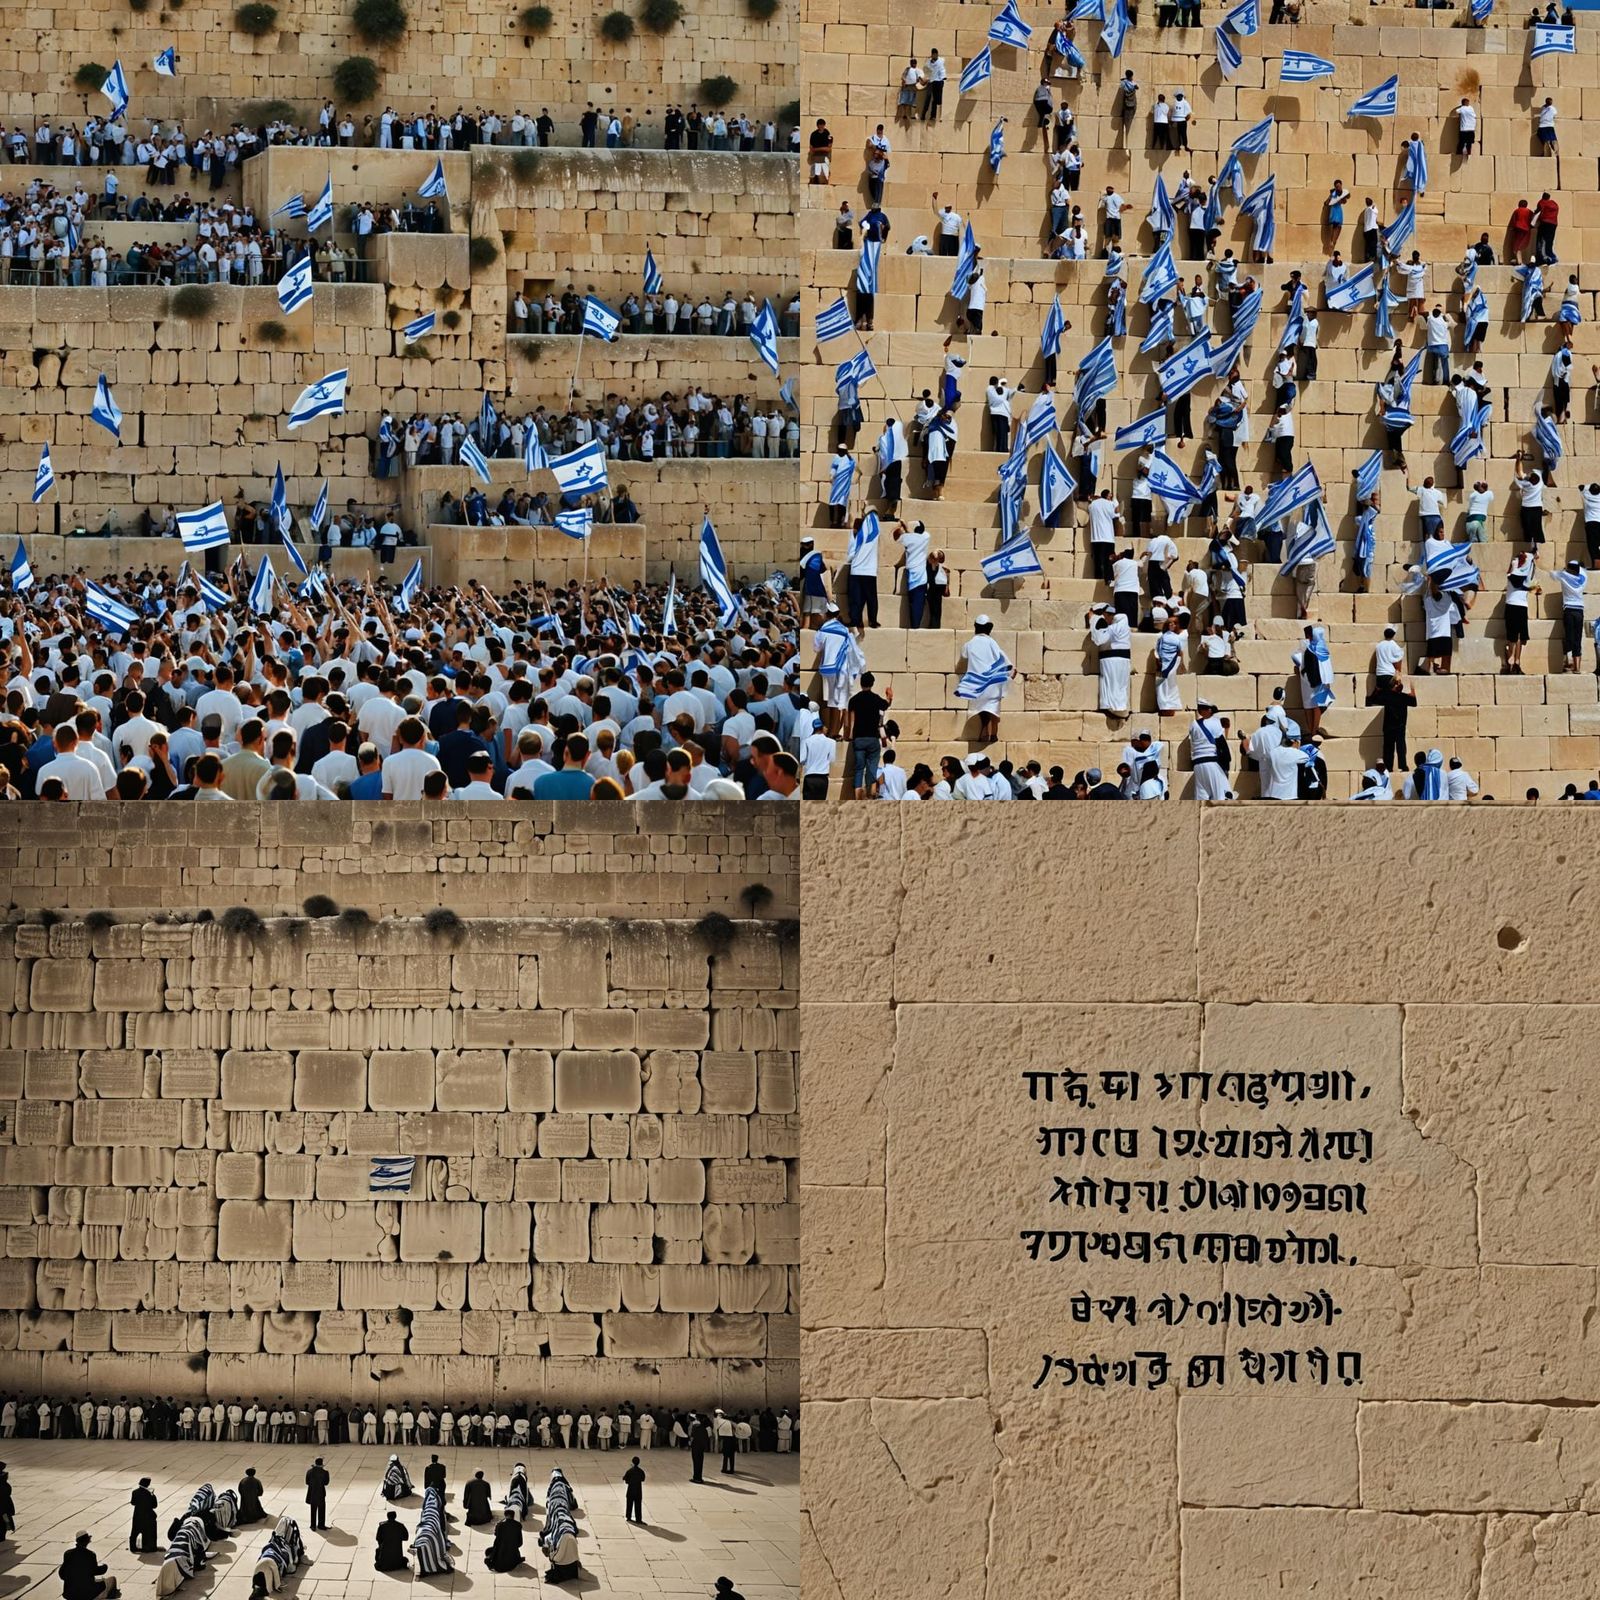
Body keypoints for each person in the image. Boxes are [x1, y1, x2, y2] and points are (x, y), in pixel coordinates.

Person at [61, 1533, 118, 1600]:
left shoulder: (68, 1554)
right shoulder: (90, 1555)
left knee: (94, 1581)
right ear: (87, 1541)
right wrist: (104, 1567)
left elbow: (62, 1574)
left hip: (69, 1594)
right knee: (112, 1580)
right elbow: (95, 1571)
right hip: (87, 1593)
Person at [130, 1480, 158, 1554]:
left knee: (134, 1532)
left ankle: (132, 1547)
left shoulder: (134, 1492)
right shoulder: (149, 1494)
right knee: (146, 1532)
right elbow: (154, 1505)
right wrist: (153, 1495)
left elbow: (133, 1502)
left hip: (137, 1515)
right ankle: (146, 1547)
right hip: (147, 1516)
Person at [304, 1459, 328, 1532]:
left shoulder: (309, 1472)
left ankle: (313, 1525)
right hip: (320, 1493)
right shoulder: (325, 1473)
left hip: (312, 1493)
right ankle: (321, 1525)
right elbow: (326, 1483)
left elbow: (307, 1482)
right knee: (322, 1509)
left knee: (313, 1510)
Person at [623, 1457, 646, 1525]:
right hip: (638, 1490)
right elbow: (643, 1479)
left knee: (629, 1504)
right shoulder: (641, 1471)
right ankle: (638, 1519)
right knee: (638, 1505)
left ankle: (628, 1517)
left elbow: (626, 1480)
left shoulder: (629, 1471)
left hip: (630, 1490)